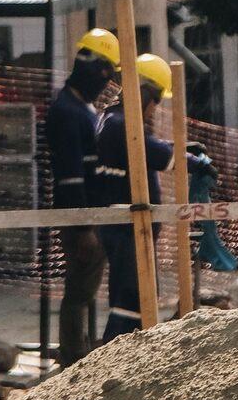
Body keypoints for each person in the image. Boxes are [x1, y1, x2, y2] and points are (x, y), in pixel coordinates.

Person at [90, 53, 176, 342]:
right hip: (127, 225)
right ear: (147, 94)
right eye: (158, 100)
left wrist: (184, 149)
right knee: (131, 296)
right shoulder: (123, 123)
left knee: (134, 294)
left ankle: (123, 351)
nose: (155, 109)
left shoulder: (113, 118)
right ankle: (113, 352)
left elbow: (152, 149)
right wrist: (190, 159)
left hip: (124, 225)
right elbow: (161, 156)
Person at [50, 28, 120, 364]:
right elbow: (70, 176)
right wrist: (83, 229)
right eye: (106, 73)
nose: (107, 82)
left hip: (94, 216)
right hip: (83, 220)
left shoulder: (83, 108)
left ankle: (80, 352)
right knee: (79, 292)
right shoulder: (67, 111)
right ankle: (73, 358)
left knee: (85, 290)